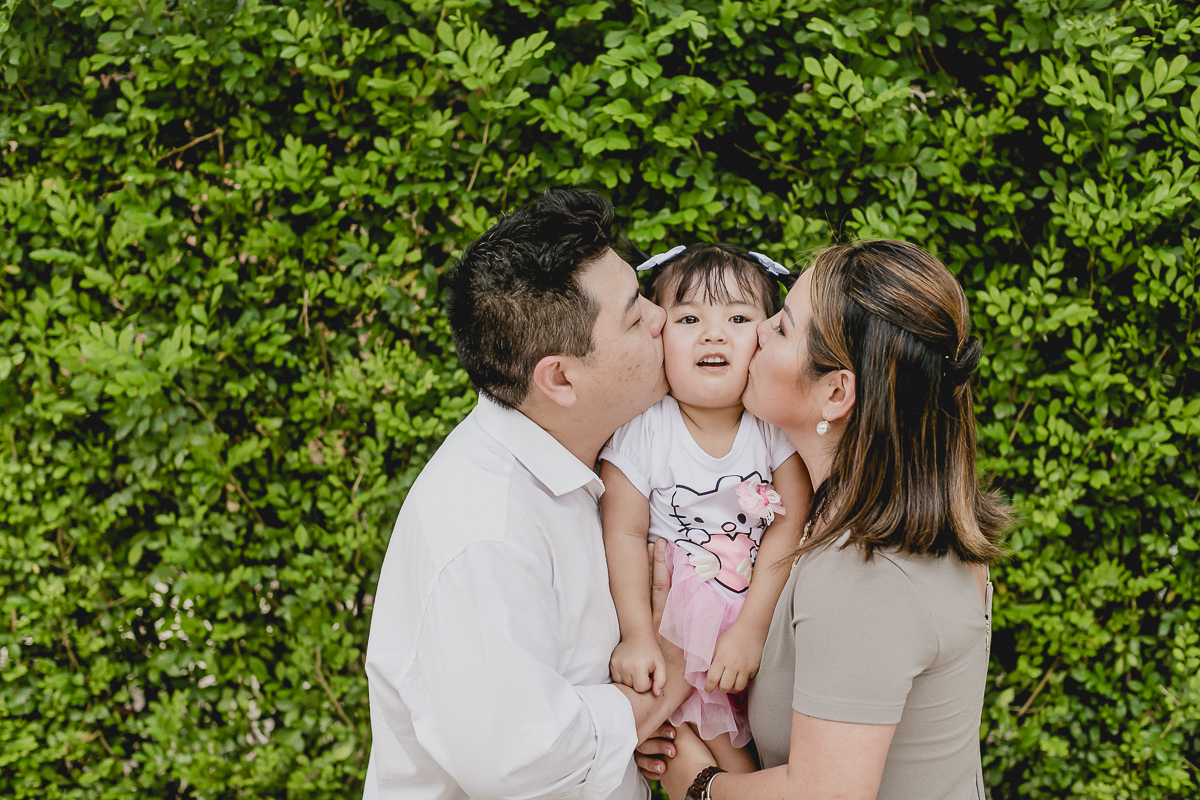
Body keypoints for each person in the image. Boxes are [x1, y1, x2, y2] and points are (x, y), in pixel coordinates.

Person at [645, 239, 1010, 800]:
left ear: (836, 392)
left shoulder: (868, 573)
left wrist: (698, 782)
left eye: (783, 328)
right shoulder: (837, 514)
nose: (760, 328)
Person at [362, 189, 693, 800]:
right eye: (633, 313)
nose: (659, 317)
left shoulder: (606, 454)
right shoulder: (483, 528)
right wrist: (664, 676)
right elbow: (516, 760)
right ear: (560, 378)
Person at [599, 244, 810, 775]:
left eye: (738, 318)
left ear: (765, 337)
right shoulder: (644, 428)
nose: (714, 334)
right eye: (689, 318)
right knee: (700, 752)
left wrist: (752, 631)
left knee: (768, 756)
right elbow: (622, 533)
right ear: (658, 336)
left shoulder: (770, 426)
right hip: (676, 629)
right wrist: (637, 634)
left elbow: (790, 524)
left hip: (756, 617)